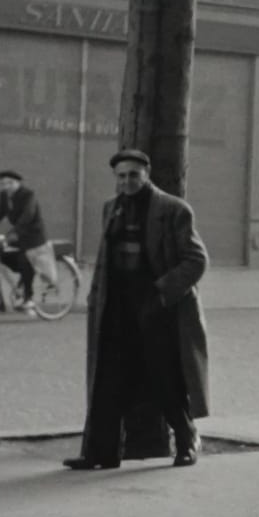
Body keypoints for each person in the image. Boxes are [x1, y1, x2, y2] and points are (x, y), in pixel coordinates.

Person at [64, 149, 210, 472]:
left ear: (147, 175)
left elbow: (196, 260)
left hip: (156, 310)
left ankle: (187, 441)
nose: (127, 181)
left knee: (165, 379)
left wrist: (161, 292)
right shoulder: (111, 209)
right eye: (121, 176)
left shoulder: (173, 210)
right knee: (108, 381)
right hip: (117, 311)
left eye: (134, 175)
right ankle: (101, 453)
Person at [0, 169, 47, 311]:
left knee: (25, 259)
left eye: (10, 183)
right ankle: (4, 298)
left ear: (18, 183)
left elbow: (27, 216)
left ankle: (29, 298)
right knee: (0, 254)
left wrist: (10, 235)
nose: (6, 187)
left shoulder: (29, 195)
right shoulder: (4, 195)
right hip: (17, 234)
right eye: (3, 184)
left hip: (33, 236)